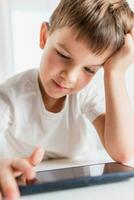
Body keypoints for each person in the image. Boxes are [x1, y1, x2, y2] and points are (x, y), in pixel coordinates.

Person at [0, 0, 134, 199]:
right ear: (44, 36)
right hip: (29, 187)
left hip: (81, 187)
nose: (70, 77)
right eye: (63, 55)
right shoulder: (11, 96)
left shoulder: (86, 93)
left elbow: (123, 153)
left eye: (89, 69)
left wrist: (114, 73)